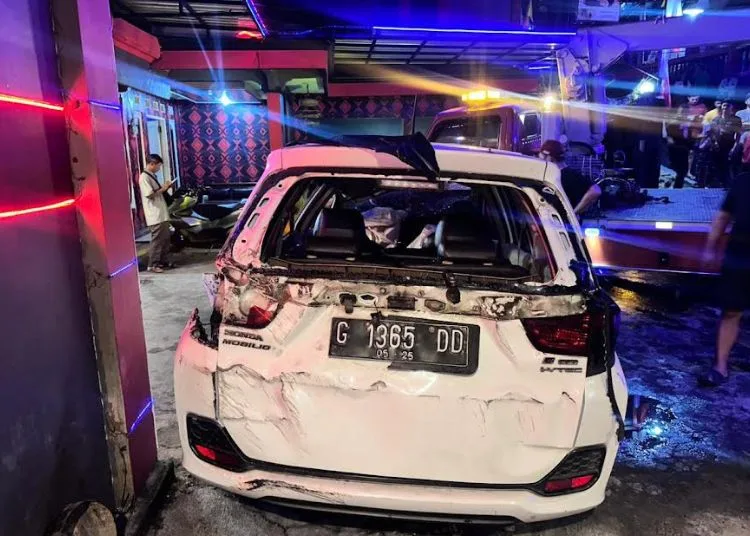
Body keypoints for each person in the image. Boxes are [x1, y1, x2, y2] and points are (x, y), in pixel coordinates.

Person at [700, 172, 750, 386]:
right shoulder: (743, 181)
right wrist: (710, 248)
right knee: (731, 311)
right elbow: (723, 215)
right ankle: (720, 367)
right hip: (739, 255)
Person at [538, 140, 601, 215]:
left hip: (562, 220)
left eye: (541, 156)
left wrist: (573, 213)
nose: (539, 159)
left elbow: (595, 191)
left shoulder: (568, 175)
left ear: (549, 157)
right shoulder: (553, 174)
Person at [139, 154, 174, 273]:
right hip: (155, 214)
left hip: (161, 213)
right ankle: (152, 265)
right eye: (158, 166)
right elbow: (149, 194)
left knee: (165, 239)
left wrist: (165, 188)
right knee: (157, 240)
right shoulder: (144, 177)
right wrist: (163, 188)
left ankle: (162, 261)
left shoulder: (151, 176)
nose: (159, 168)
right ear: (152, 164)